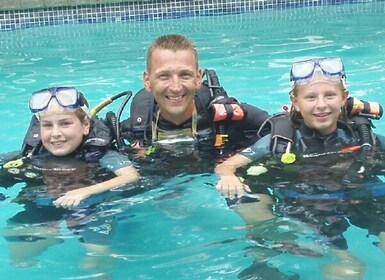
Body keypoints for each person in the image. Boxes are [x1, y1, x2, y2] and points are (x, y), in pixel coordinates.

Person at [215, 57, 385, 279]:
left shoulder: (362, 136)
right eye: (311, 97)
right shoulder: (282, 140)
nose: (321, 105)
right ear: (296, 101)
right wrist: (228, 176)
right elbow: (227, 166)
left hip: (359, 194)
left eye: (330, 95)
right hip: (308, 203)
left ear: (344, 97)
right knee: (349, 270)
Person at [1, 86, 140, 270]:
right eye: (48, 125)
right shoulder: (30, 154)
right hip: (44, 204)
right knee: (19, 256)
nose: (55, 133)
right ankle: (51, 233)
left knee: (96, 259)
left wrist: (85, 191)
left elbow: (131, 176)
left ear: (85, 126)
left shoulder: (101, 154)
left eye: (65, 124)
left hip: (89, 208)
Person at [117, 34, 270, 182]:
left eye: (185, 75)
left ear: (198, 78)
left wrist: (231, 165)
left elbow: (280, 128)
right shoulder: (135, 129)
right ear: (147, 80)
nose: (176, 87)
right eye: (164, 76)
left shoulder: (224, 118)